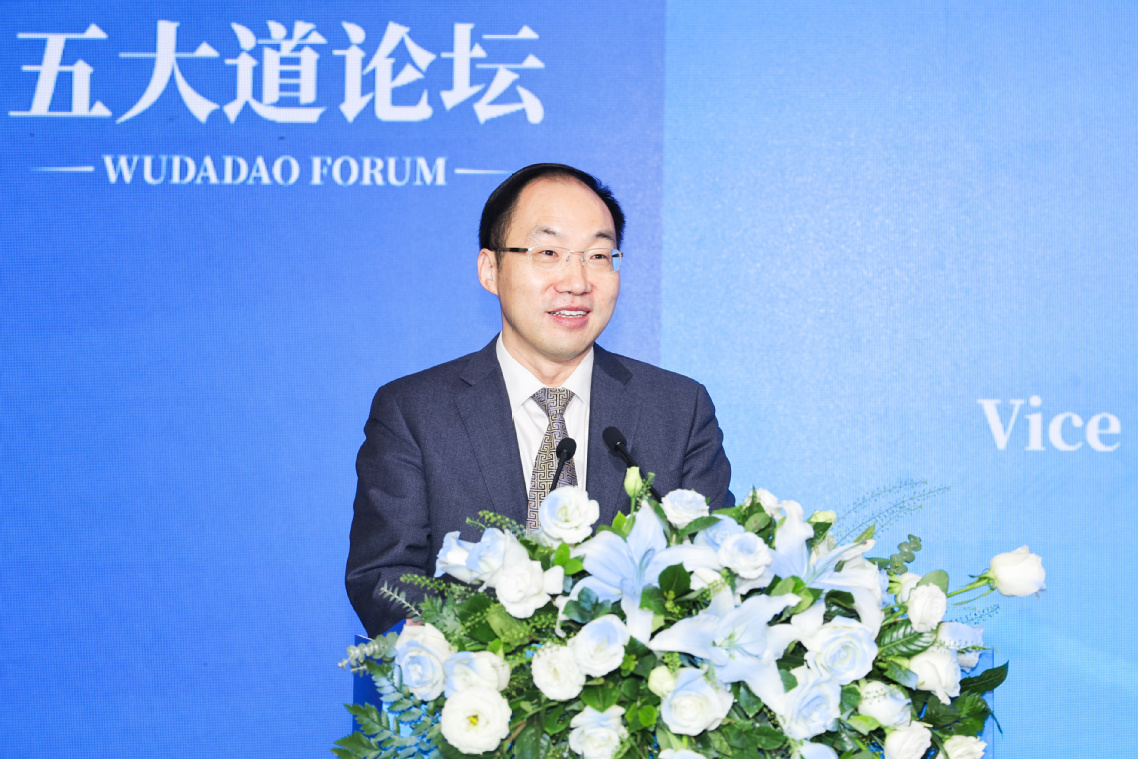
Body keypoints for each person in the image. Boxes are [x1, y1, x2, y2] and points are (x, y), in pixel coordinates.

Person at [346, 163, 733, 637]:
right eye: (548, 252)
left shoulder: (677, 409)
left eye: (598, 255)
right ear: (490, 269)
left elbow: (715, 574)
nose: (577, 281)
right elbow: (383, 578)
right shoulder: (415, 412)